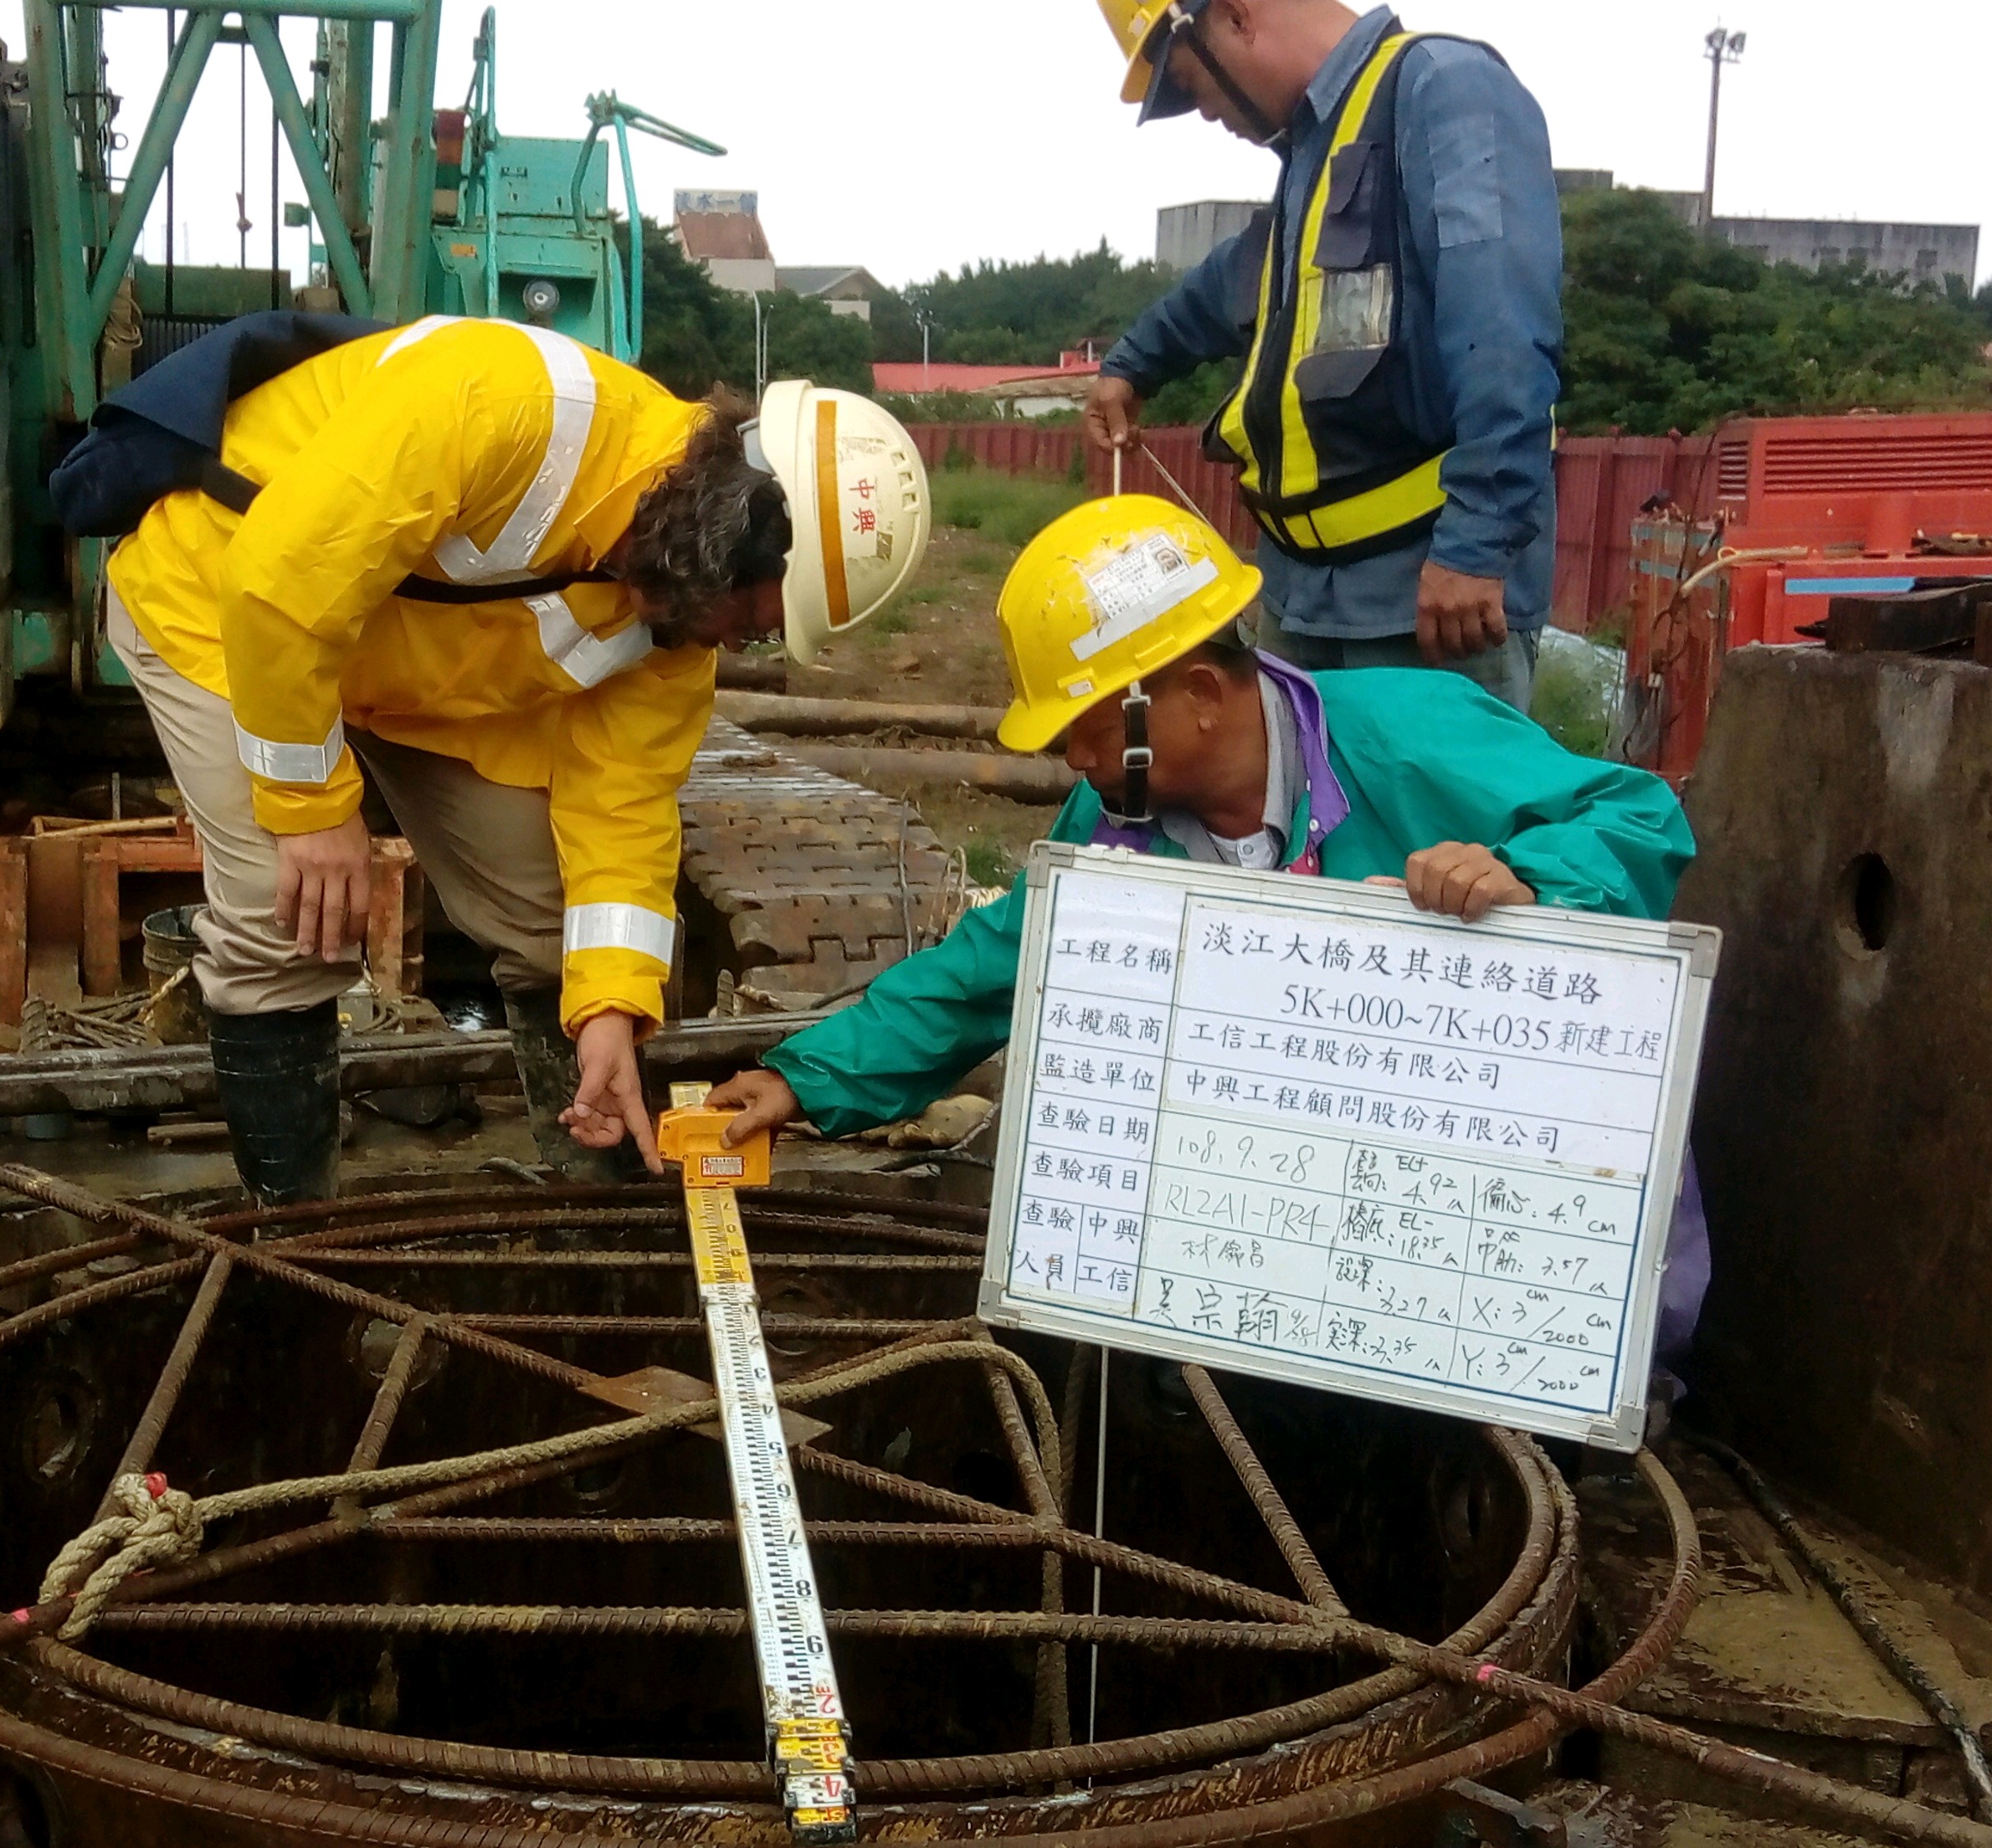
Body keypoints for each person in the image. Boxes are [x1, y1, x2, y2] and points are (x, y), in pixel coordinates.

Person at [707, 495, 1709, 1353]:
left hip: (1488, 1190)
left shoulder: (1409, 731)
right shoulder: (1116, 822)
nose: (1068, 759)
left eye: (1084, 728)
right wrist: (804, 1080)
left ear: (1190, 696)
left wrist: (1522, 879)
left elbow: (1640, 817)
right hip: (1300, 1212)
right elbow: (1000, 963)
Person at [102, 319, 929, 1203]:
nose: (744, 643)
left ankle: (593, 1215)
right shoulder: (499, 408)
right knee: (291, 917)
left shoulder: (677, 619)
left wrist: (610, 1005)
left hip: (405, 671)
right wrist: (309, 806)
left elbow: (622, 805)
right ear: (736, 538)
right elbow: (279, 588)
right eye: (757, 619)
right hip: (226, 609)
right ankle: (295, 1241)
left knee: (557, 920)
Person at [1081, 0, 1564, 710]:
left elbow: (1502, 328)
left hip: (1428, 607)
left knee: (1435, 823)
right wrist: (1131, 364)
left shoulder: (1443, 88)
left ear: (1239, 17)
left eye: (1194, 86)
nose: (1209, 114)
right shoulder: (1317, 150)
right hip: (1303, 603)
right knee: (1303, 821)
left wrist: (1477, 544)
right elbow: (1236, 282)